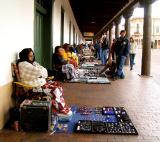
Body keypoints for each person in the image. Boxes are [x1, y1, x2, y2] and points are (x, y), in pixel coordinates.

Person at [17, 48, 72, 116]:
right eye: (30, 56)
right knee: (55, 90)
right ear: (25, 56)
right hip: (32, 88)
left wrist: (41, 73)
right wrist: (41, 73)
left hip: (39, 84)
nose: (32, 57)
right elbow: (40, 72)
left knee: (58, 87)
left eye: (33, 55)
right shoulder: (23, 64)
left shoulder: (32, 63)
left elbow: (42, 71)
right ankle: (60, 110)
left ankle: (60, 108)